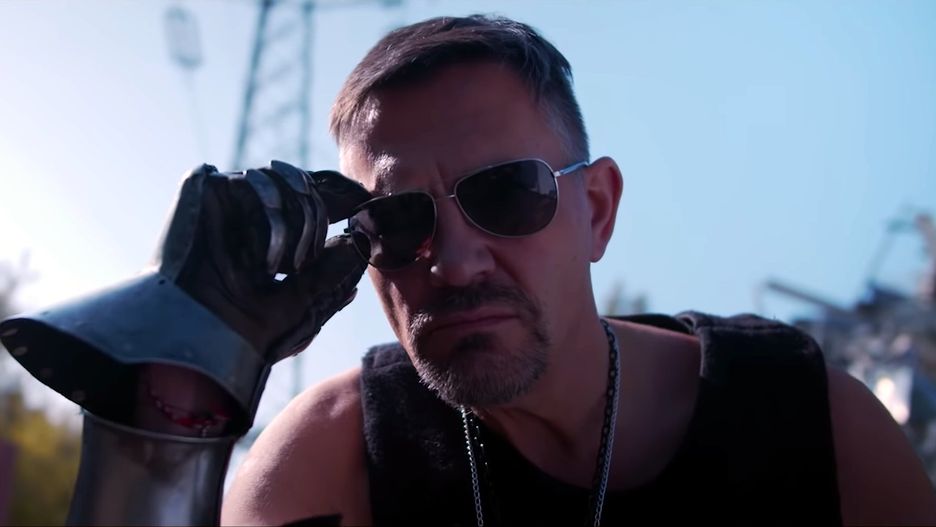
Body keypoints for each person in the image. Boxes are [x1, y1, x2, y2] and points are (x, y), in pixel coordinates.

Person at [2, 14, 934, 527]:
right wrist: (176, 386)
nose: (451, 259)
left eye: (506, 193)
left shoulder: (812, 421)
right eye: (399, 219)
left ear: (597, 208)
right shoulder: (334, 458)